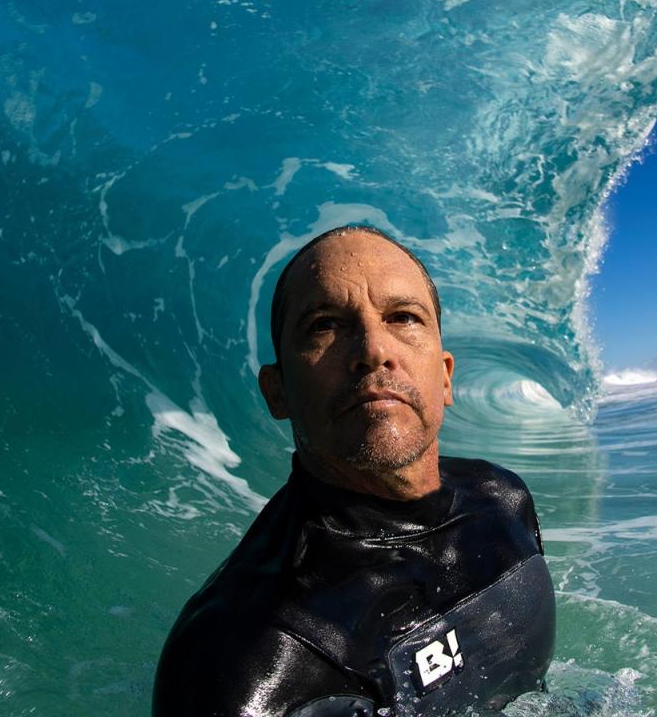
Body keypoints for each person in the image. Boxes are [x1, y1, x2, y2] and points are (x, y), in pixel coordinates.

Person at [153, 226, 555, 717]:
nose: (373, 349)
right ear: (276, 391)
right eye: (325, 325)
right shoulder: (247, 657)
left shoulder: (505, 500)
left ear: (446, 376)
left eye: (403, 317)